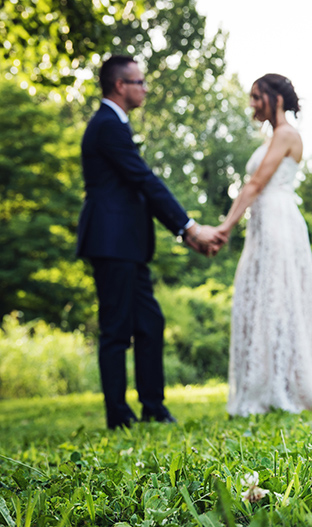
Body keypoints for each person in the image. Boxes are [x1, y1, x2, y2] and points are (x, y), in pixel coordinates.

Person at [77, 55, 226, 429]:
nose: (145, 88)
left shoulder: (115, 125)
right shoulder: (107, 125)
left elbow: (139, 187)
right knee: (115, 330)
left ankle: (152, 405)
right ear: (119, 86)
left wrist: (182, 232)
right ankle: (118, 414)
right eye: (139, 82)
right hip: (111, 244)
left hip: (127, 247)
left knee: (150, 323)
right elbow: (144, 181)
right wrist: (190, 228)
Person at [216, 74, 312, 415]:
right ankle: (269, 382)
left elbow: (255, 184)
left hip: (277, 221)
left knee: (279, 298)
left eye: (258, 97)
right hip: (264, 222)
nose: (253, 104)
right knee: (262, 297)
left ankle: (282, 386)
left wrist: (224, 228)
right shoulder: (276, 136)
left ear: (277, 98)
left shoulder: (286, 134)